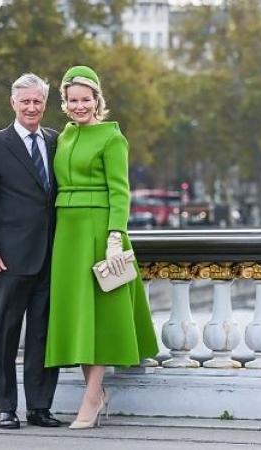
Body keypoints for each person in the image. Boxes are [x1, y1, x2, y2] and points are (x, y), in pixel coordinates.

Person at [45, 66, 159, 429]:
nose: (80, 106)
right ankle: (94, 392)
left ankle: (93, 395)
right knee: (78, 314)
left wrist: (114, 236)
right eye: (73, 100)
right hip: (67, 234)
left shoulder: (112, 138)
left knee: (100, 315)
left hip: (99, 234)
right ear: (64, 103)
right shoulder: (61, 138)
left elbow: (120, 192)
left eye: (86, 99)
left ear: (97, 100)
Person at [0, 73, 61, 429]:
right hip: (7, 257)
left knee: (43, 334)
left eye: (37, 101)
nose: (31, 107)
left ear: (45, 104)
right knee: (6, 334)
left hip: (51, 255)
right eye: (25, 101)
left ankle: (40, 407)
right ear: (13, 104)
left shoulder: (56, 141)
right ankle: (6, 406)